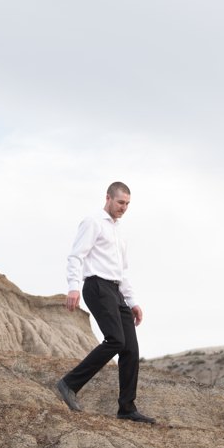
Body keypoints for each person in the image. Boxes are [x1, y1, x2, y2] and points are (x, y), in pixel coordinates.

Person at [55, 181, 156, 423]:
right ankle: (68, 383)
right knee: (116, 340)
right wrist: (72, 287)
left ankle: (127, 408)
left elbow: (123, 270)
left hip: (116, 289)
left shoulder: (120, 231)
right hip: (96, 286)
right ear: (108, 198)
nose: (124, 208)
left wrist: (132, 301)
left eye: (128, 204)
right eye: (121, 202)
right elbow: (76, 256)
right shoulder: (93, 222)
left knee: (130, 349)